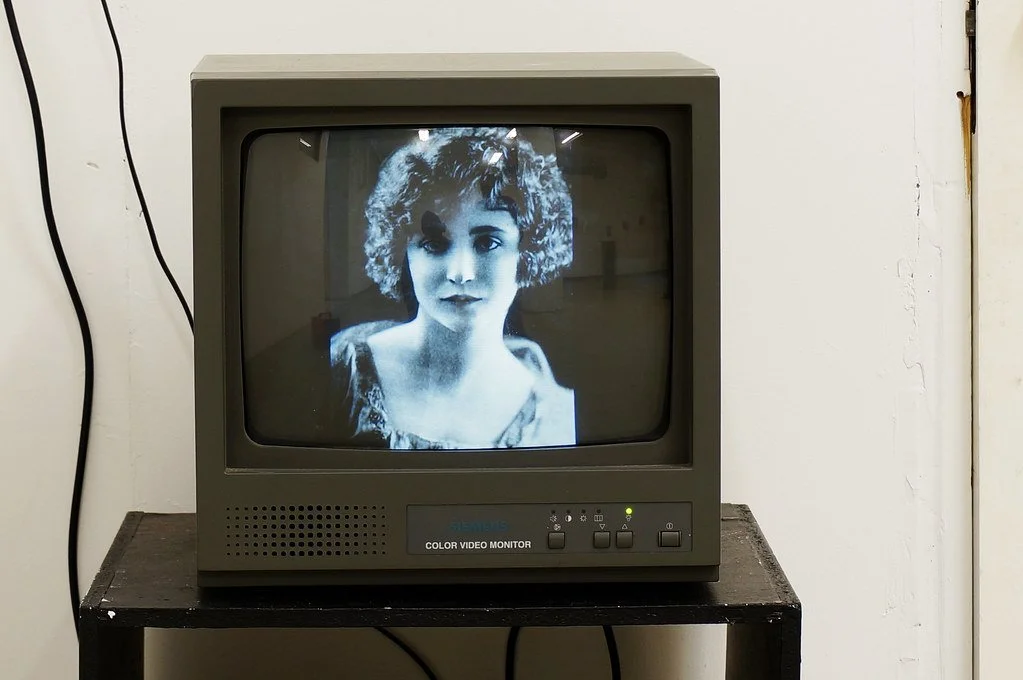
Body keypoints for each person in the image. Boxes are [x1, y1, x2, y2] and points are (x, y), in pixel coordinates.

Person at [328, 127, 575, 449]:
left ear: (526, 254)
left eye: (488, 242)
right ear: (403, 253)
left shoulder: (553, 415)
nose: (461, 273)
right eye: (433, 242)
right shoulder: (341, 364)